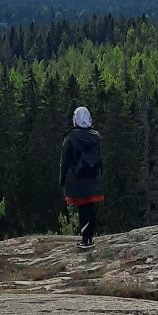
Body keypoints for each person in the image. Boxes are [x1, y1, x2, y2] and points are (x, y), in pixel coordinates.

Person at [60, 106, 104, 248]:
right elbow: (100, 158)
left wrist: (62, 179)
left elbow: (65, 161)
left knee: (82, 209)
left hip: (77, 179)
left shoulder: (71, 137)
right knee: (91, 208)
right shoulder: (96, 136)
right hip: (93, 177)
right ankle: (90, 237)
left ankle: (86, 240)